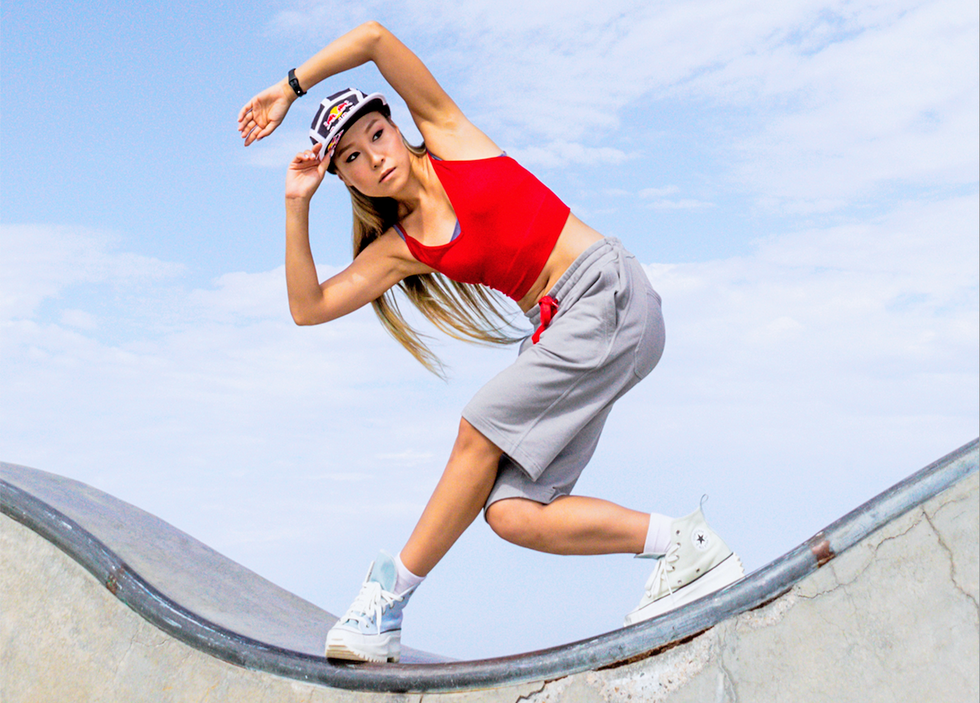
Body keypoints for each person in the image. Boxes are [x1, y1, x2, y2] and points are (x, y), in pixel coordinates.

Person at [238, 21, 743, 663]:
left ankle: (390, 596)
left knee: (477, 430)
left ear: (396, 126)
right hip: (566, 328)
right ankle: (683, 545)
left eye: (376, 134)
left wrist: (288, 87)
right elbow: (307, 309)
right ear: (348, 181)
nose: (375, 156)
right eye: (353, 159)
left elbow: (371, 37)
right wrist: (295, 203)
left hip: (606, 291)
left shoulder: (452, 139)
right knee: (513, 512)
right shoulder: (401, 249)